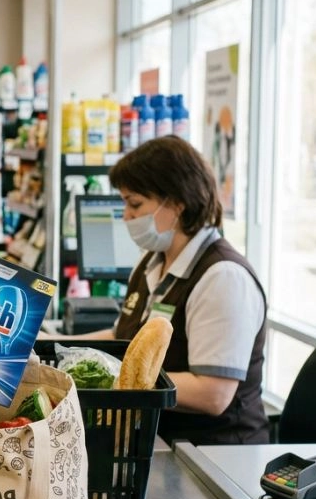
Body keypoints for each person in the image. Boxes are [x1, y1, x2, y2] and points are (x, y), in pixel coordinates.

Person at [99, 135, 269, 445]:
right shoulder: (151, 262)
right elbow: (120, 339)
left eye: (135, 204)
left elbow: (213, 393)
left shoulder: (222, 277)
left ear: (177, 203)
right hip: (152, 440)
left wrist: (118, 381)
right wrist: (47, 347)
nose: (126, 215)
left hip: (209, 452)